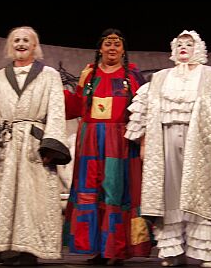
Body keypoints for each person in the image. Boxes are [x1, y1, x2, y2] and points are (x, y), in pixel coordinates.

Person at [125, 30, 211, 268]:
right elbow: (144, 112)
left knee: (201, 195)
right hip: (165, 141)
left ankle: (206, 254)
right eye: (179, 44)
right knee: (169, 196)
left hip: (201, 144)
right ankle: (172, 252)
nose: (183, 47)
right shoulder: (160, 78)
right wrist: (144, 143)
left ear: (197, 49)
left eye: (188, 44)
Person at [0, 26, 71, 266]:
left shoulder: (49, 75)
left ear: (35, 46)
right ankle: (7, 248)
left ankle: (30, 248)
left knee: (34, 195)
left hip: (35, 145)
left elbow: (57, 110)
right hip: (8, 143)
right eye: (16, 40)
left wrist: (51, 145)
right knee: (7, 196)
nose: (20, 43)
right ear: (10, 46)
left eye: (26, 40)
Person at [63, 28, 151, 266]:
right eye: (107, 44)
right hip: (91, 141)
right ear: (100, 48)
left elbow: (143, 111)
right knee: (91, 190)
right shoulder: (88, 74)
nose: (112, 48)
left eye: (117, 44)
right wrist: (53, 92)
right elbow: (76, 106)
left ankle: (116, 250)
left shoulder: (132, 75)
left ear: (123, 49)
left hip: (120, 143)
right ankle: (97, 249)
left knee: (116, 191)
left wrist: (141, 139)